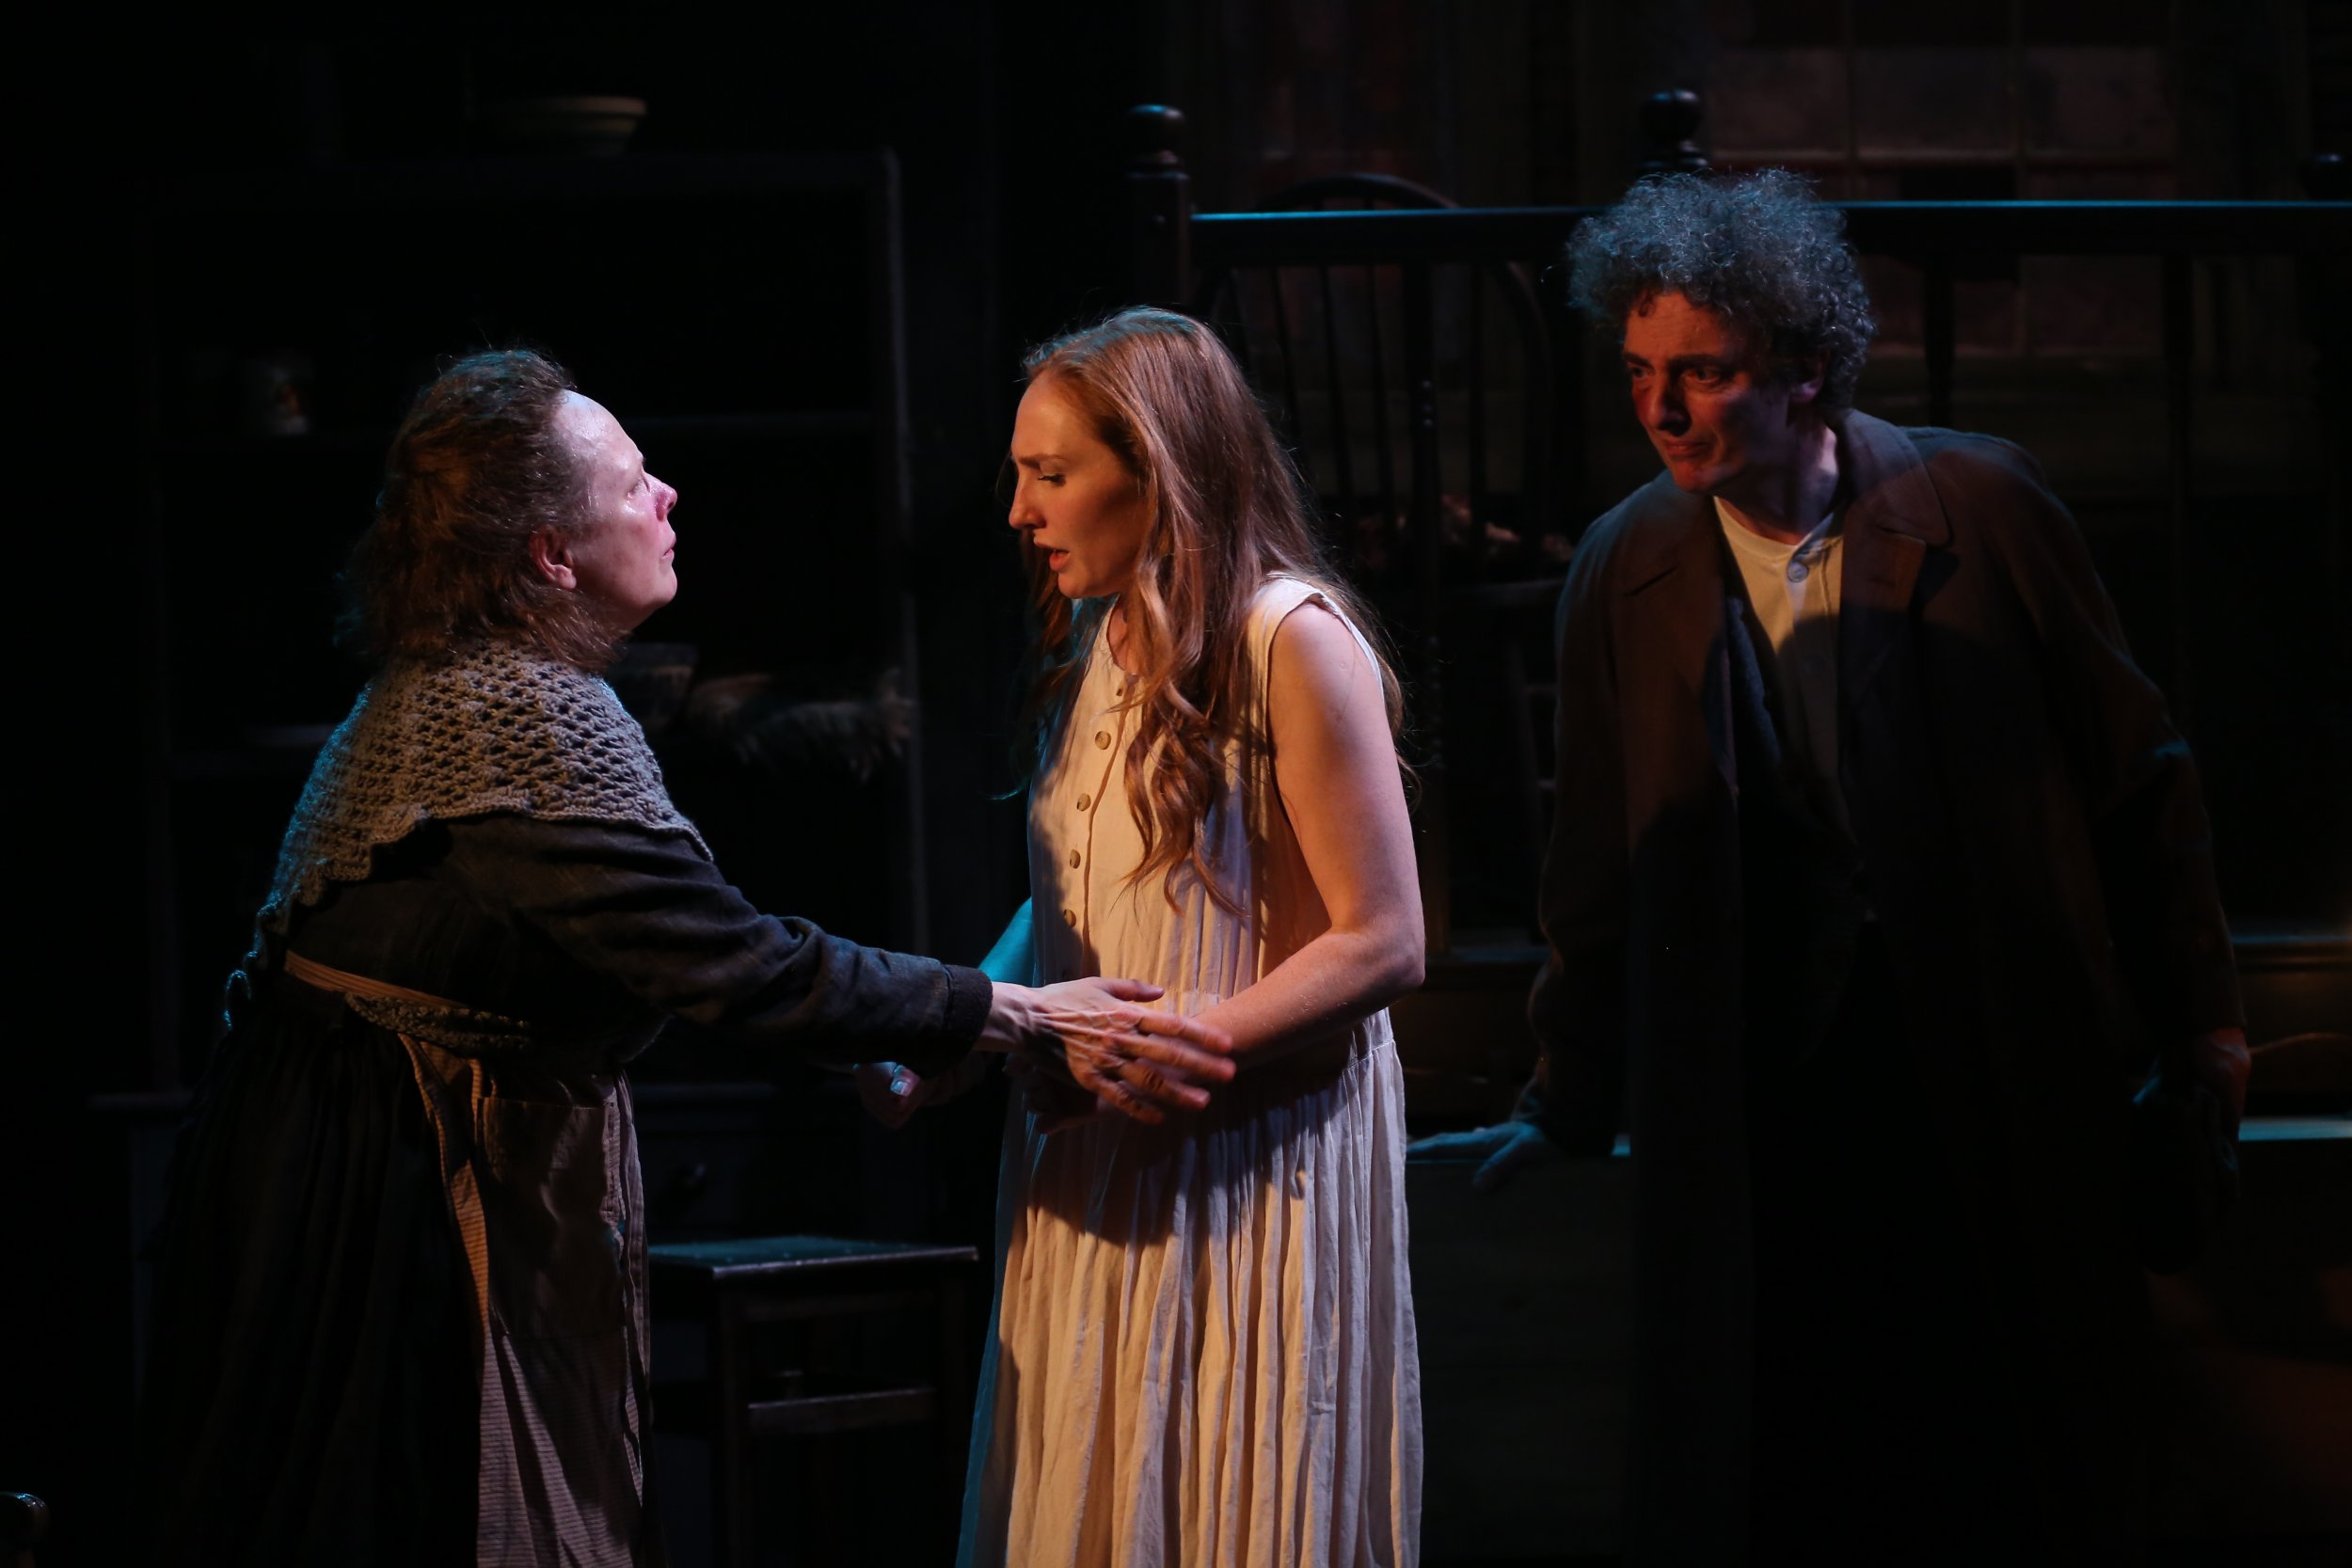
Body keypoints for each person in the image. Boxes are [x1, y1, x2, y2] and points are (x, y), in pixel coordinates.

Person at [133, 349, 1236, 1567]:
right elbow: (741, 965)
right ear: (551, 554)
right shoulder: (515, 718)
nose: (666, 496)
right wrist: (1013, 1016)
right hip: (375, 1183)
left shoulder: (492, 688)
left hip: (347, 1137)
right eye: (630, 485)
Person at [1412, 172, 2249, 1562]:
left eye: (1705, 372)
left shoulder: (1979, 509)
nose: (1663, 409)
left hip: (1977, 1043)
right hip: (1766, 1077)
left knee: (2007, 1433)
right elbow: (1602, 868)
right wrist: (1568, 1093)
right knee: (1792, 1434)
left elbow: (2139, 780)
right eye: (1638, 373)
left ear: (1806, 369)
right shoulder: (1629, 566)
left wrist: (2206, 1035)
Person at [869, 308, 1425, 1567]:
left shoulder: (1290, 638)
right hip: (1094, 1143)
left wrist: (1163, 1051)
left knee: (1227, 1495)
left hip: (1243, 1152)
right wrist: (963, 1022)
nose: (1020, 511)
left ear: (1160, 469)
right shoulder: (1098, 635)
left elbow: (1386, 938)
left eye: (1051, 475)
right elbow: (1084, 885)